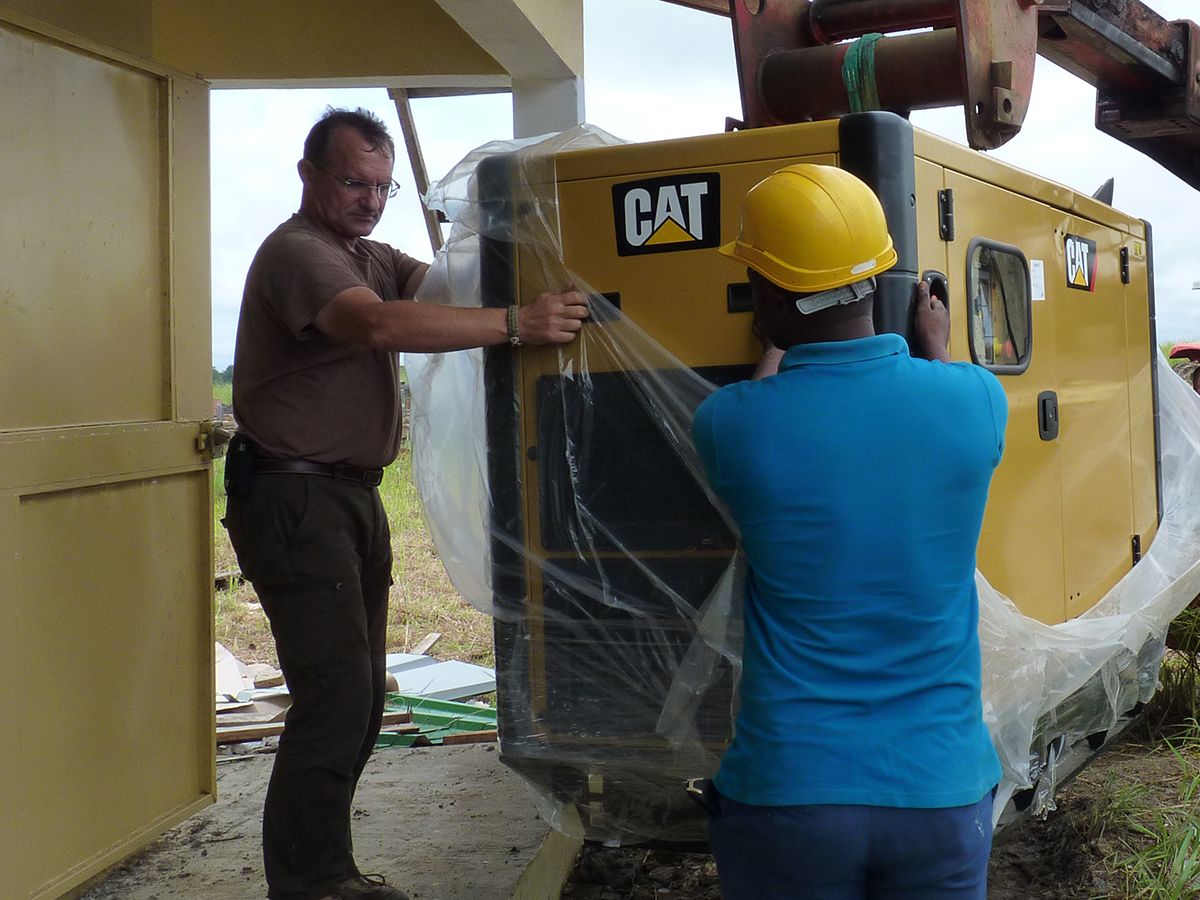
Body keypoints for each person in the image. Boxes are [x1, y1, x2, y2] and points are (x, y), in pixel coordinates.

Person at [223, 107, 588, 900]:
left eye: (384, 186)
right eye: (354, 181)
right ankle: (311, 882)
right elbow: (379, 324)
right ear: (308, 174)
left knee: (358, 696)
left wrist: (522, 234)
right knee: (336, 693)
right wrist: (518, 325)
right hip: (293, 495)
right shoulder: (300, 254)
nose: (370, 199)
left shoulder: (366, 254)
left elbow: (441, 285)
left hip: (348, 495)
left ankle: (331, 871)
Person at [692, 164, 1006, 899]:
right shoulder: (975, 401)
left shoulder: (731, 425)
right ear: (881, 279)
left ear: (768, 294)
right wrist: (935, 344)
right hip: (942, 790)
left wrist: (778, 336)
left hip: (790, 790)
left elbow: (770, 392)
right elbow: (943, 409)